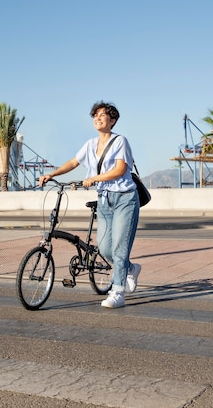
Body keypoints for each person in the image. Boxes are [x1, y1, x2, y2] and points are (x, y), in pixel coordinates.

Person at [39, 101, 141, 308]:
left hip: (125, 199)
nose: (97, 118)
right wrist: (52, 174)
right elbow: (73, 163)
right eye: (95, 115)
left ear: (112, 120)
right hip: (104, 200)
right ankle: (130, 268)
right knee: (104, 249)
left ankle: (118, 293)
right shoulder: (90, 144)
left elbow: (120, 170)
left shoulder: (121, 141)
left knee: (120, 248)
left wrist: (95, 179)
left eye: (102, 115)